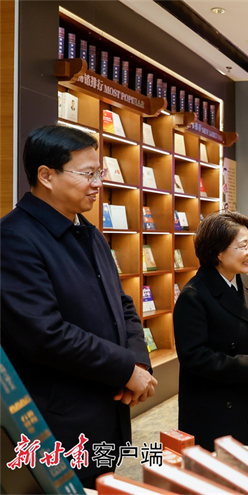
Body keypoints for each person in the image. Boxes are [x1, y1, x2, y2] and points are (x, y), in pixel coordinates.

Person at [0, 125, 157, 487]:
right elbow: (45, 334)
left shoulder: (88, 231)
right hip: (58, 422)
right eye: (88, 174)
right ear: (46, 176)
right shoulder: (14, 238)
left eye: (99, 172)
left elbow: (122, 304)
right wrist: (123, 368)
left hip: (105, 408)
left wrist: (137, 361)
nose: (98, 183)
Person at [173, 210, 248, 450]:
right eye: (243, 246)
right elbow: (193, 356)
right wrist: (245, 366)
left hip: (247, 395)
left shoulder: (246, 282)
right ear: (218, 252)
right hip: (214, 406)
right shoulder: (194, 295)